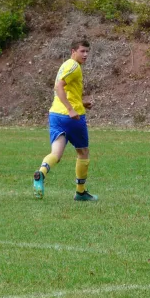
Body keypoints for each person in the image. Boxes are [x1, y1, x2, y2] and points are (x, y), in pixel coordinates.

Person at [32, 39, 98, 201]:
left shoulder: (65, 65)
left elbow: (65, 90)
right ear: (73, 51)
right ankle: (80, 192)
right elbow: (59, 87)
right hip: (70, 117)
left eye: (87, 51)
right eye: (82, 51)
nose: (85, 55)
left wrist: (81, 103)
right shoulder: (74, 67)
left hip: (55, 114)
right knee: (83, 152)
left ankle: (41, 173)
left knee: (56, 154)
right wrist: (71, 109)